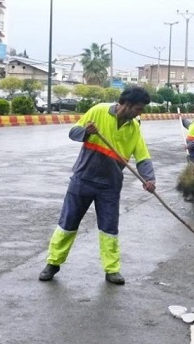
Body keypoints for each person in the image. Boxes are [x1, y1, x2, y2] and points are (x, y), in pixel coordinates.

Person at [39, 87, 156, 285]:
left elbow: (142, 156)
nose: (140, 112)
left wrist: (149, 179)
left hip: (110, 185)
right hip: (83, 179)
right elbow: (73, 132)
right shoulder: (99, 111)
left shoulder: (134, 127)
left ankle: (112, 270)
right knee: (67, 224)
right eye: (138, 108)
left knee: (109, 228)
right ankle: (53, 263)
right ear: (126, 105)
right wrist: (86, 132)